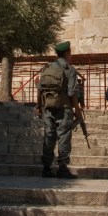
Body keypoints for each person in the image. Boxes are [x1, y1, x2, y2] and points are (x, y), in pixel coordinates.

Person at [37, 41, 84, 179]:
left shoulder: (47, 68)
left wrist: (38, 106)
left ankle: (46, 168)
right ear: (67, 53)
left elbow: (40, 89)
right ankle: (62, 168)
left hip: (47, 108)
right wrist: (77, 110)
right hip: (64, 109)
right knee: (63, 137)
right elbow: (72, 93)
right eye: (70, 52)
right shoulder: (70, 70)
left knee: (49, 137)